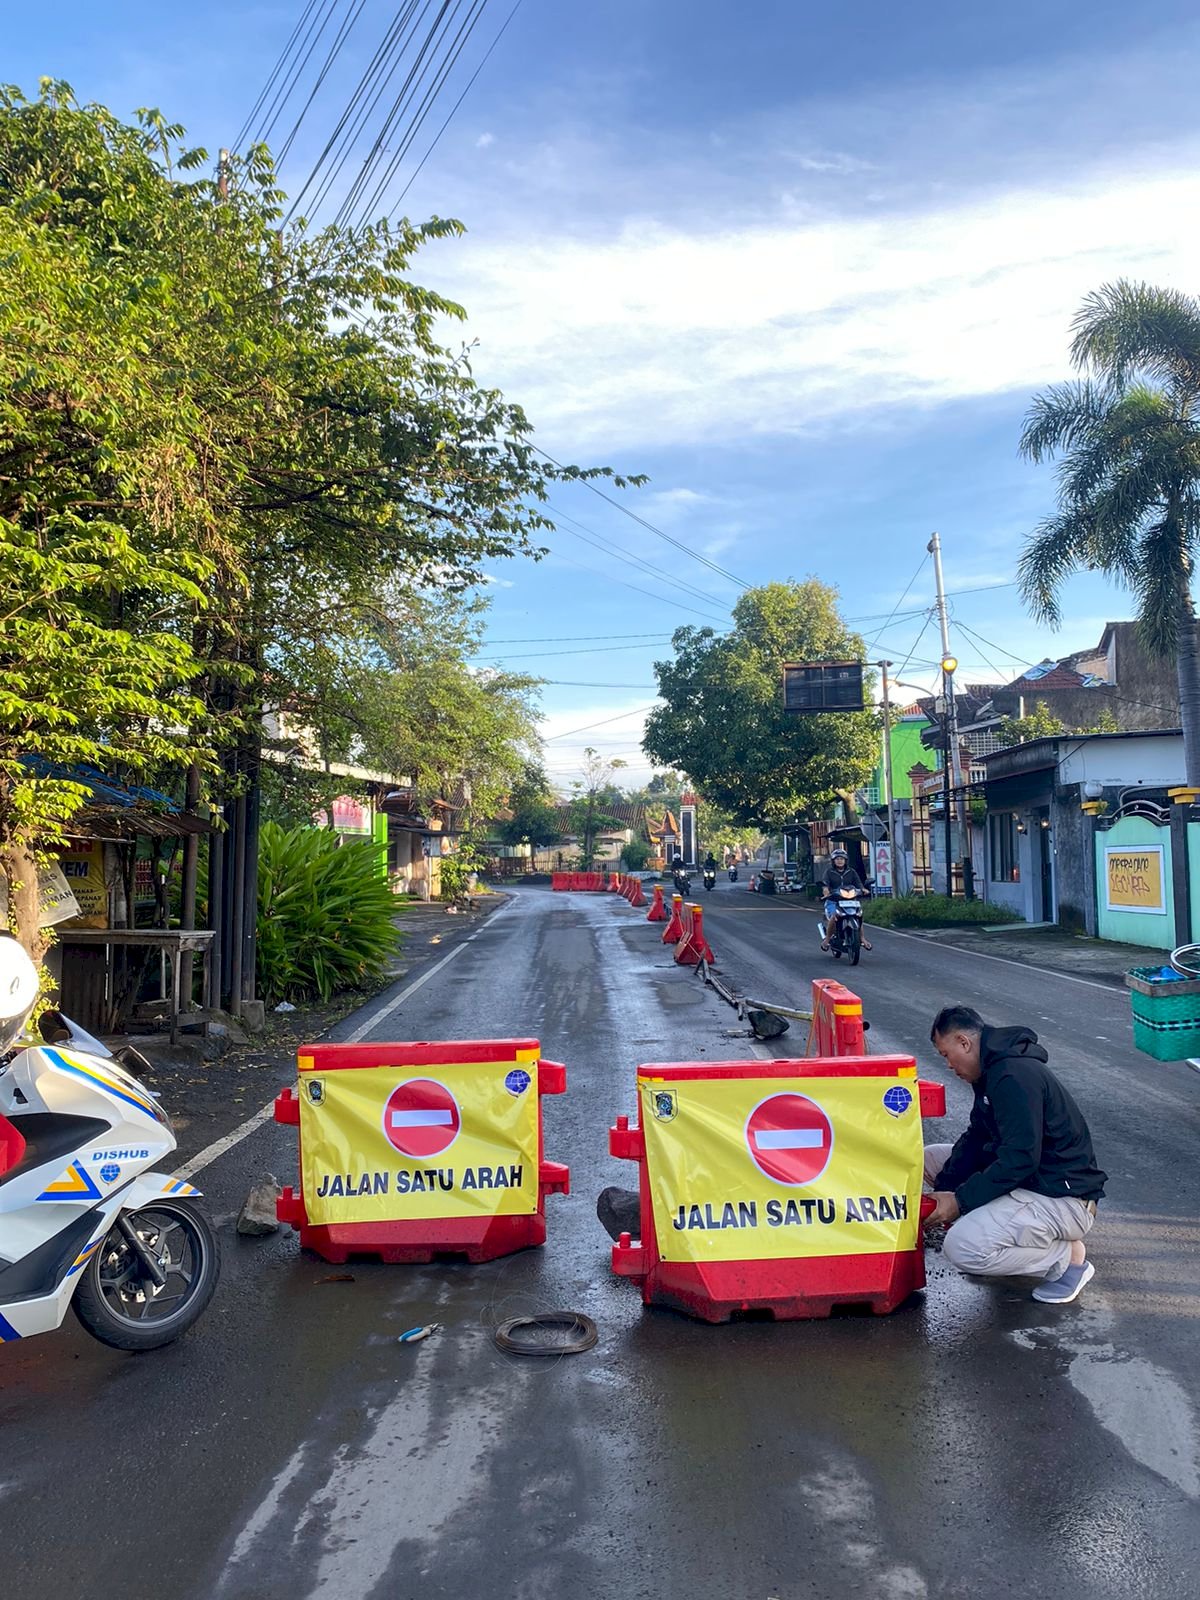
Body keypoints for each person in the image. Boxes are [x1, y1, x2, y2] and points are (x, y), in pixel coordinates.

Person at [926, 1005, 1107, 1304]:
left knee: (961, 1248)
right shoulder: (988, 1073)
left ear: (964, 1042)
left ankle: (1069, 1259)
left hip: (1064, 1198)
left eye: (946, 1055)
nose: (948, 1065)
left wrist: (959, 1201)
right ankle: (994, 1229)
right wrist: (947, 1187)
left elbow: (1020, 1158)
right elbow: (976, 1138)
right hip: (1030, 1182)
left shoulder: (1012, 1076)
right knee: (930, 1159)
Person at [820, 846, 870, 951]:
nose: (839, 861)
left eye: (842, 859)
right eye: (837, 859)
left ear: (845, 860)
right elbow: (825, 885)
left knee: (858, 915)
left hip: (850, 900)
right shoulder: (829, 872)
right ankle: (827, 940)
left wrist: (863, 889)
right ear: (833, 861)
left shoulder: (851, 872)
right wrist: (826, 891)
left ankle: (862, 938)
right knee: (834, 916)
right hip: (834, 900)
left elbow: (858, 884)